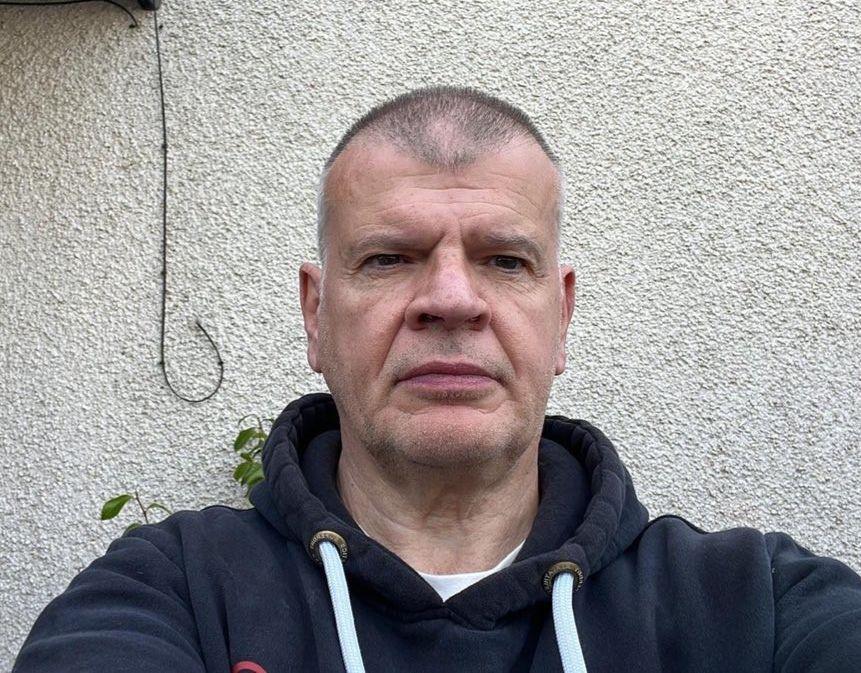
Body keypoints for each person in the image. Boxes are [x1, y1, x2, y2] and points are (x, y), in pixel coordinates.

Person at [13, 86, 861, 673]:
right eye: (388, 258)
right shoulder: (170, 593)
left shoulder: (759, 604)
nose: (451, 299)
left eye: (503, 259)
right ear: (316, 313)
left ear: (559, 315)